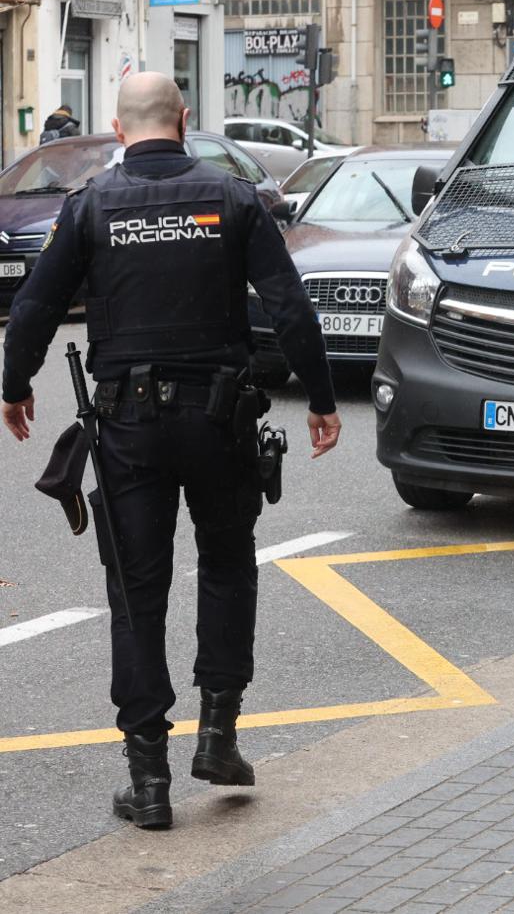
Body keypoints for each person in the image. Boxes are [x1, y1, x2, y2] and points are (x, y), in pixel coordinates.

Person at [1, 73, 341, 830]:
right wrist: (320, 399)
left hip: (128, 430)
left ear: (120, 131)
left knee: (137, 591)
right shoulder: (231, 199)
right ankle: (218, 734)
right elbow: (288, 304)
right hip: (220, 422)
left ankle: (149, 779)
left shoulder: (89, 207)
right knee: (226, 565)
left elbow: (33, 307)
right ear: (183, 122)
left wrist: (14, 385)